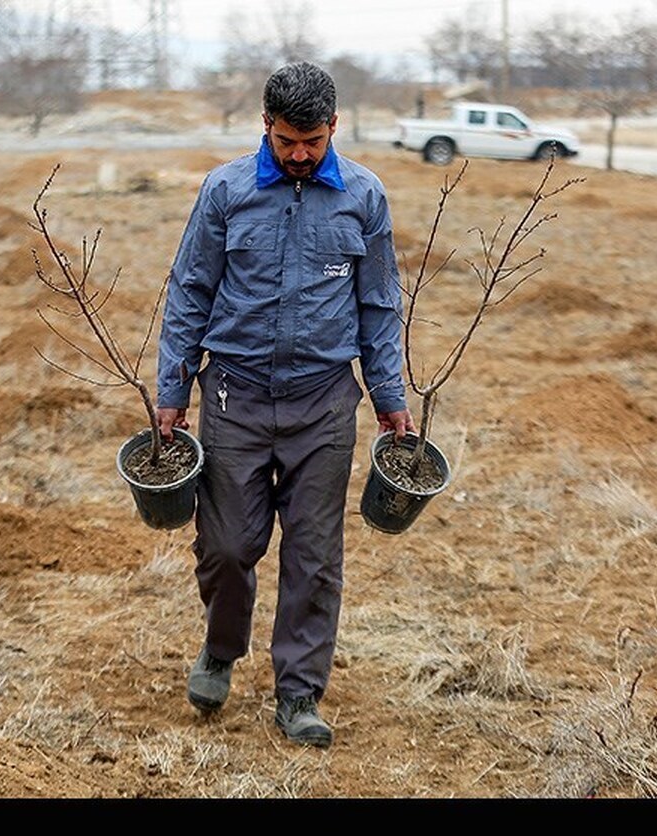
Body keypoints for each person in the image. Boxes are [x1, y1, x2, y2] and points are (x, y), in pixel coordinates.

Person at [155, 61, 414, 748]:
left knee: (314, 554)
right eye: (286, 142)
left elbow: (380, 305)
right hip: (235, 397)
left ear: (335, 127)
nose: (299, 156)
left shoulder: (365, 196)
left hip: (325, 404)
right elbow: (189, 292)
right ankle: (221, 648)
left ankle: (299, 693)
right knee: (229, 546)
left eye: (312, 142)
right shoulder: (225, 192)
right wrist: (172, 391)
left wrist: (390, 397)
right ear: (265, 127)